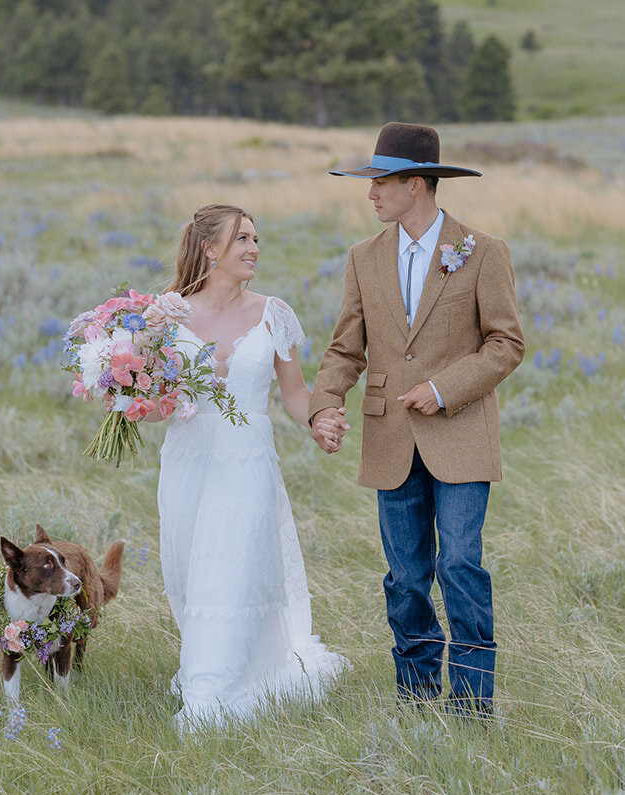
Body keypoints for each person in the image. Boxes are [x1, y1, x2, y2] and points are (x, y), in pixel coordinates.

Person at [310, 123, 524, 714]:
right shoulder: (363, 258)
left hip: (461, 435)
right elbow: (347, 348)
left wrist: (442, 388)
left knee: (459, 564)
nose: (371, 194)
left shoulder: (484, 252)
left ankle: (473, 703)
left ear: (418, 185)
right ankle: (417, 696)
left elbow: (506, 343)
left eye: (382, 182)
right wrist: (324, 404)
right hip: (389, 438)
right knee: (406, 578)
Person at [156, 203, 347, 732]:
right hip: (188, 461)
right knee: (195, 576)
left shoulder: (273, 313)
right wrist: (131, 395)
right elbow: (153, 400)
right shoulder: (166, 315)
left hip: (248, 463)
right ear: (209, 249)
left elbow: (293, 393)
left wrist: (320, 420)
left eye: (256, 239)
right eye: (242, 239)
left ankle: (209, 697)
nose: (254, 248)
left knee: (232, 571)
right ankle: (220, 669)